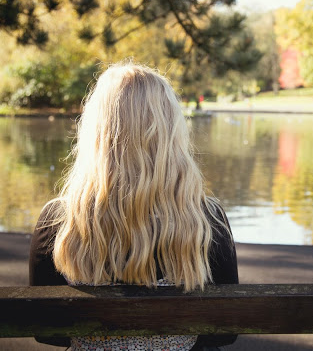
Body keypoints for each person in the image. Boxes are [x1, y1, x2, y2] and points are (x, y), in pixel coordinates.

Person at [29, 62, 238, 351]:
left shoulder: (59, 220)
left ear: (96, 132)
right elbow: (225, 330)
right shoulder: (206, 219)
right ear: (170, 131)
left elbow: (46, 330)